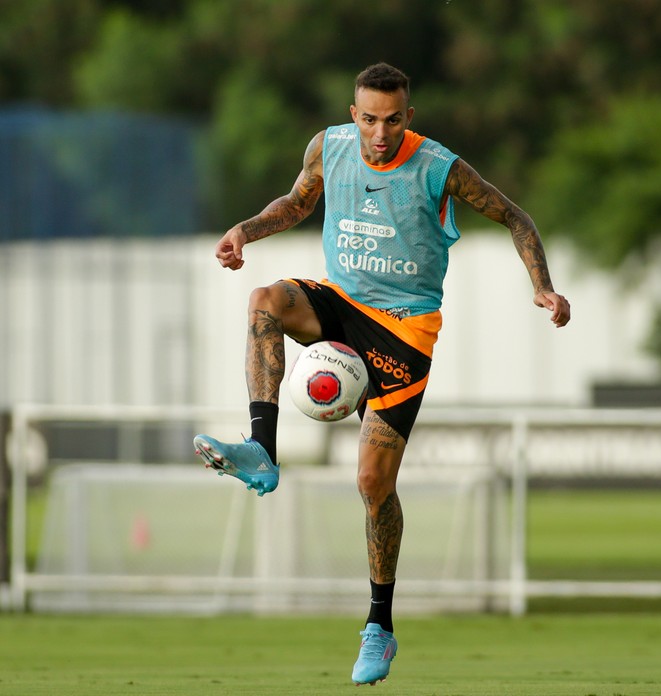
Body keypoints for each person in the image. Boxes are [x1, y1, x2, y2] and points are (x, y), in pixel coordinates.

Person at [193, 62, 571, 686]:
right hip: (342, 304)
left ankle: (379, 626)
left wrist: (544, 289)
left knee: (372, 485)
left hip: (404, 330)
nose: (379, 132)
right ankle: (261, 447)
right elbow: (295, 203)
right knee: (263, 298)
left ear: (409, 117)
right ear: (353, 115)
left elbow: (515, 217)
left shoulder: (439, 168)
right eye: (369, 118)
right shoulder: (329, 147)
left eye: (392, 120)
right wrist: (244, 231)